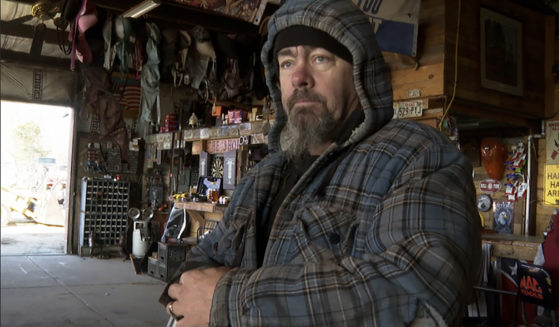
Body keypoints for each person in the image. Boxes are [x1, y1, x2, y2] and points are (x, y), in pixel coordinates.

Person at [160, 0, 482, 326]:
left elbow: (418, 290)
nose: (300, 76)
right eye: (286, 63)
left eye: (320, 59)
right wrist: (190, 293)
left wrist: (230, 301)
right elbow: (199, 265)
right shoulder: (262, 176)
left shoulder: (414, 155)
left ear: (359, 73)